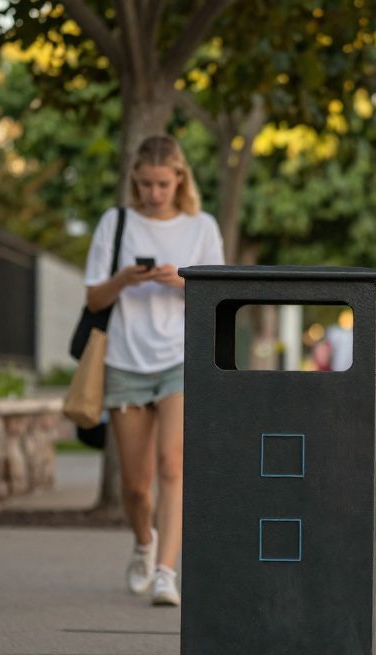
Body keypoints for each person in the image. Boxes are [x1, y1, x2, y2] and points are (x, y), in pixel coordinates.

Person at [83, 135, 224, 606]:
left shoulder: (202, 226)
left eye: (162, 184)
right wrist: (125, 277)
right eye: (145, 184)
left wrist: (182, 280)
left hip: (179, 359)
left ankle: (166, 571)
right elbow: (93, 298)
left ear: (179, 178)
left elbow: (218, 299)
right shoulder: (115, 222)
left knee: (172, 464)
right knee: (134, 483)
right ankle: (143, 542)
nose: (153, 193)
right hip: (124, 360)